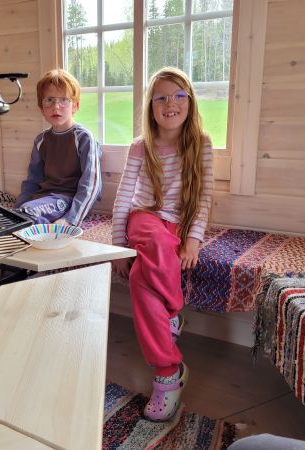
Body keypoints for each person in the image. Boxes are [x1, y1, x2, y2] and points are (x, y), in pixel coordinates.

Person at [111, 67, 213, 422]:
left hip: (177, 225)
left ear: (190, 102)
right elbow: (124, 197)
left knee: (141, 279)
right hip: (144, 218)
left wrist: (194, 239)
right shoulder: (141, 147)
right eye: (162, 97)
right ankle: (172, 325)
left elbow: (203, 198)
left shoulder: (201, 144)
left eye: (179, 96)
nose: (171, 103)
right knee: (152, 241)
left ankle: (168, 372)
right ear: (151, 107)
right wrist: (119, 244)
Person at [14, 68, 102, 226]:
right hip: (41, 200)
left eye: (63, 100)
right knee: (16, 216)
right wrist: (15, 210)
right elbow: (32, 182)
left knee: (27, 214)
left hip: (66, 201)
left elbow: (91, 185)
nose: (56, 107)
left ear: (75, 106)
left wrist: (70, 219)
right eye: (49, 100)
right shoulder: (40, 140)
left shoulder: (83, 138)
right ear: (42, 108)